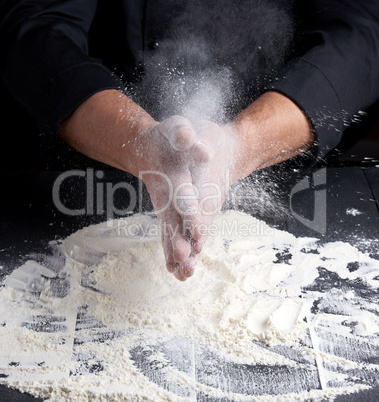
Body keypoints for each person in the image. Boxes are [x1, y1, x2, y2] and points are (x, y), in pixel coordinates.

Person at [1, 0, 378, 281]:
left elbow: (362, 33)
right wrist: (140, 140)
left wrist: (239, 147)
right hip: (96, 167)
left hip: (285, 171)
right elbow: (36, 28)